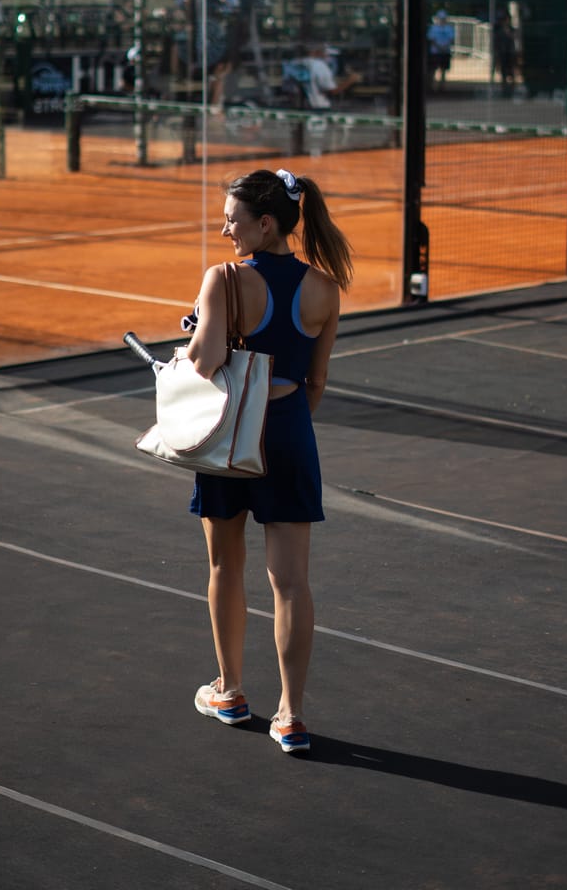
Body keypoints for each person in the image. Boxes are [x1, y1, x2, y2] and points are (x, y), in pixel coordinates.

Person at [187, 167, 353, 755]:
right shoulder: (325, 289)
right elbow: (316, 381)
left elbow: (202, 366)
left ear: (265, 223)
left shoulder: (223, 279)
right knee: (291, 584)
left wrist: (188, 344)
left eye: (233, 218)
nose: (225, 227)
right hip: (289, 435)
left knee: (224, 567)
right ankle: (292, 716)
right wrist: (285, 425)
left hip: (231, 437)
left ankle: (230, 692)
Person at [427, 9, 455, 84]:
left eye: (443, 18)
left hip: (445, 52)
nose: (442, 20)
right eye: (441, 18)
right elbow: (431, 39)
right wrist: (439, 47)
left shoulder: (449, 28)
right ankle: (431, 86)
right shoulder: (433, 28)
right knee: (433, 70)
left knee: (443, 70)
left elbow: (451, 39)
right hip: (435, 52)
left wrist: (445, 47)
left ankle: (441, 88)